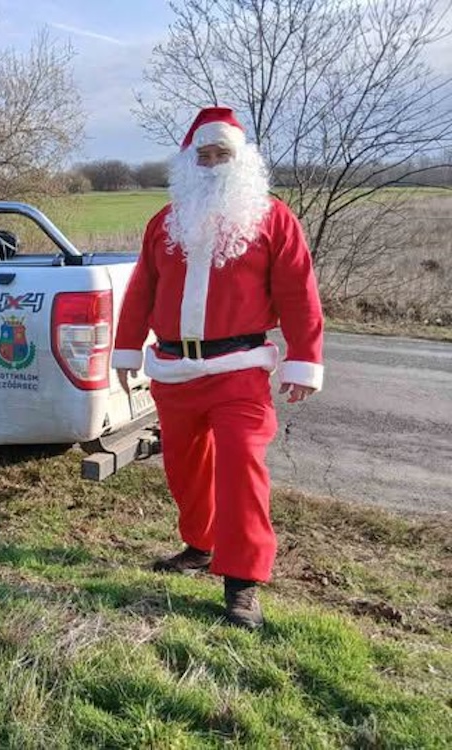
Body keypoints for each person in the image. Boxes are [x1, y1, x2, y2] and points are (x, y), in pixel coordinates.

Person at [112, 107, 324, 629]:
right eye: (201, 156)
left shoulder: (272, 218)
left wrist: (304, 359)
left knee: (240, 466)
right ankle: (200, 545)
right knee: (185, 471)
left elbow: (299, 292)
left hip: (240, 371)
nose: (210, 165)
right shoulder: (165, 224)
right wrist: (126, 348)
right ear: (188, 164)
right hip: (174, 371)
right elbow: (142, 291)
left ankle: (243, 579)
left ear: (242, 160)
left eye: (220, 155)